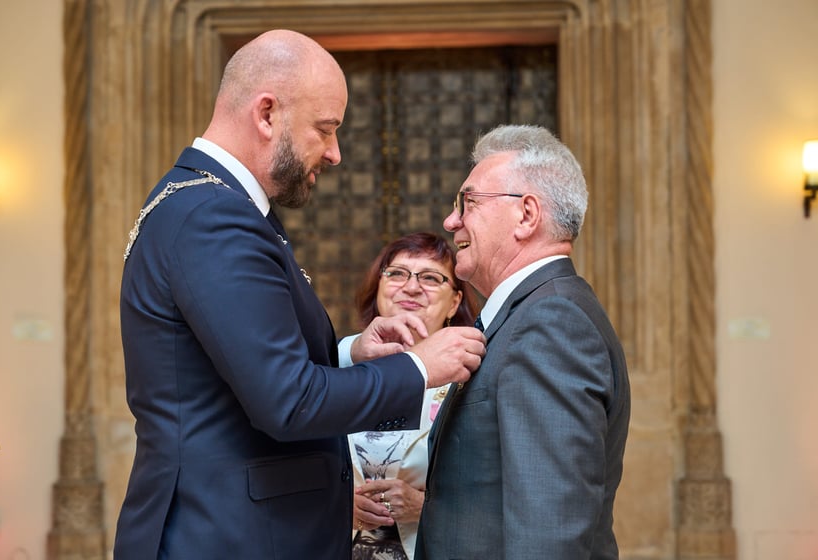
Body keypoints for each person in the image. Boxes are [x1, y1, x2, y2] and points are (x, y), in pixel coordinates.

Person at [114, 30, 485, 560]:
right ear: (267, 114)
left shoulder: (204, 204)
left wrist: (349, 353)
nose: (335, 153)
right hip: (228, 534)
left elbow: (236, 364)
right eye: (325, 129)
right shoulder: (214, 218)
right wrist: (420, 368)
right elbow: (287, 402)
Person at [415, 124, 631, 560]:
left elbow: (550, 531)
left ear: (527, 215)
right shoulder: (528, 315)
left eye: (468, 202)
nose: (450, 221)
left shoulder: (551, 323)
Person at [338, 232, 477, 559]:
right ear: (378, 287)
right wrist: (337, 499)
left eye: (430, 277)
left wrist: (427, 505)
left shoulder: (474, 376)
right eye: (397, 274)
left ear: (455, 302)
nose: (411, 287)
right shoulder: (338, 367)